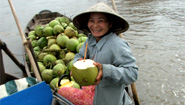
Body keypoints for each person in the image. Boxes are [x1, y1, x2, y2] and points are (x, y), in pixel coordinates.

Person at [58, 2, 138, 105]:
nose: (95, 25)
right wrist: (77, 62)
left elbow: (132, 73)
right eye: (92, 20)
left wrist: (105, 70)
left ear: (110, 24)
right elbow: (80, 55)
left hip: (107, 99)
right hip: (92, 88)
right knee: (62, 91)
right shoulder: (91, 39)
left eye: (100, 21)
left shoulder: (118, 45)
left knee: (61, 93)